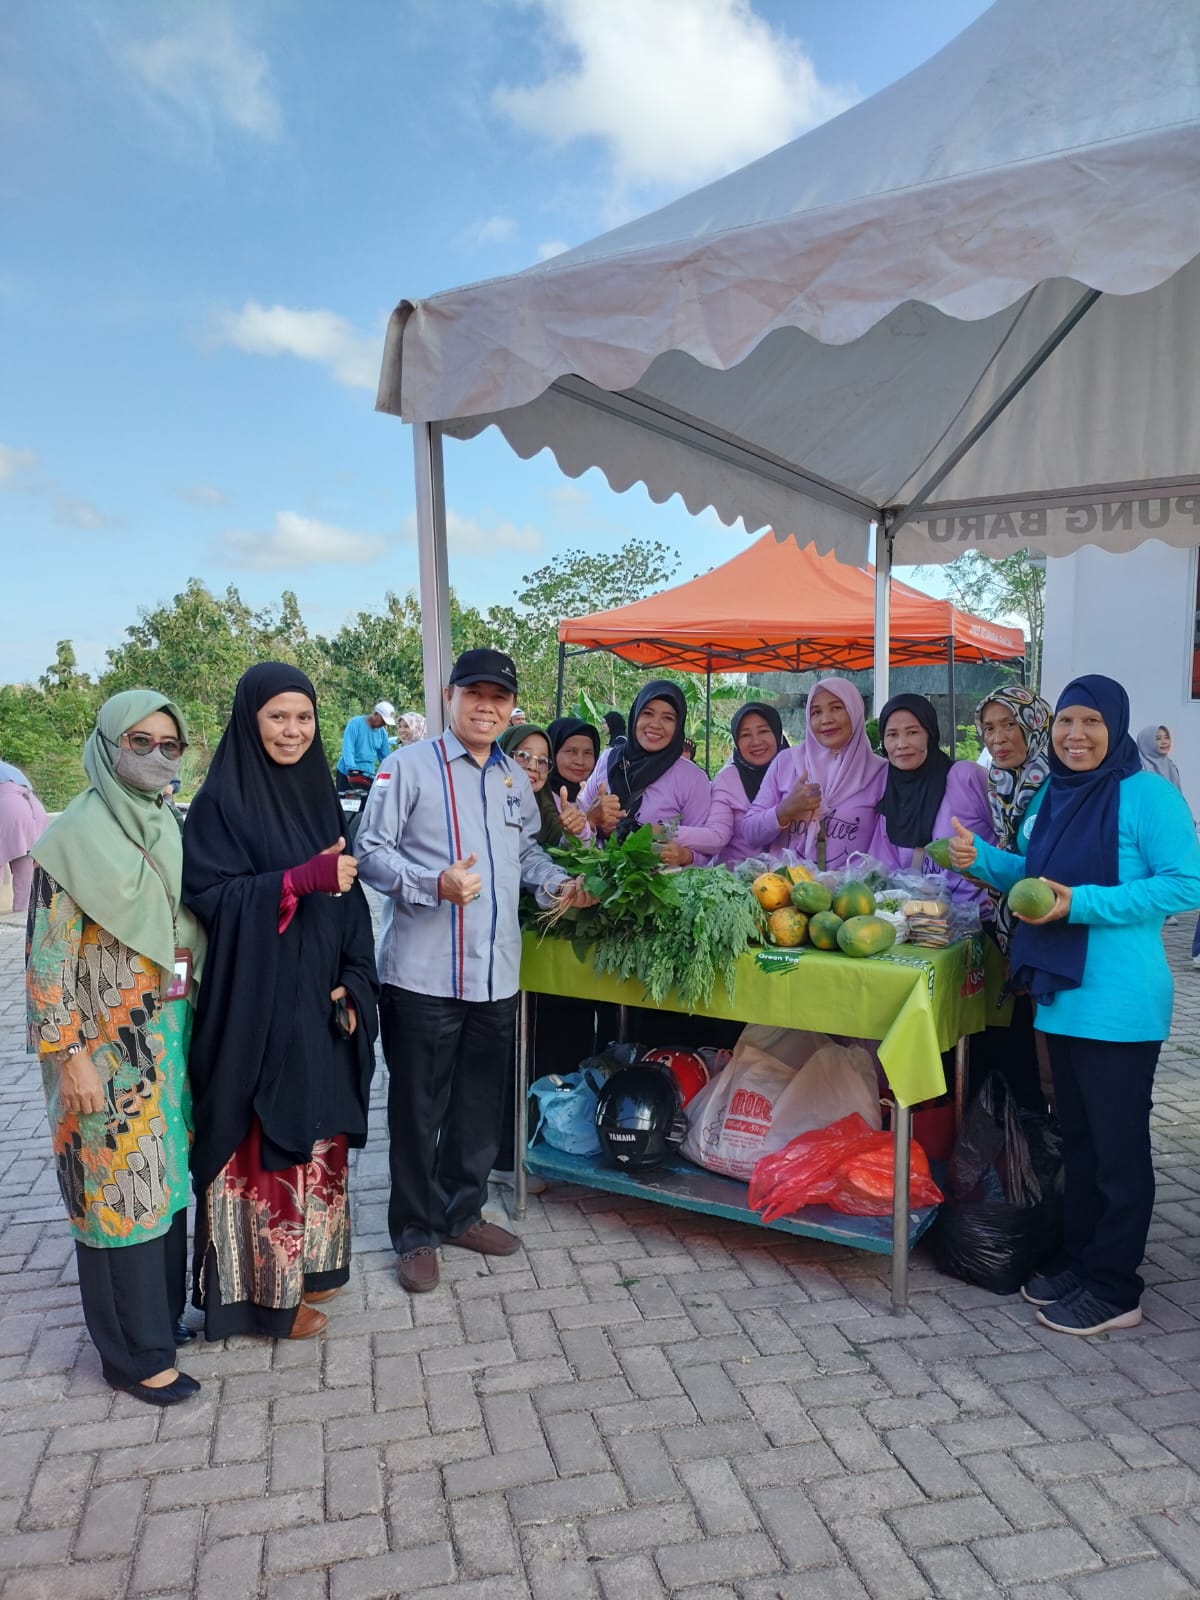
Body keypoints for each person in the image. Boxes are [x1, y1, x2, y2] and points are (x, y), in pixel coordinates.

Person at [949, 674, 1200, 1336]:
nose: (1076, 735)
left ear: (1114, 728)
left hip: (1120, 1002)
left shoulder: (1147, 795)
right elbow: (1034, 880)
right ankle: (1083, 1260)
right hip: (1061, 995)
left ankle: (1116, 1286)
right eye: (1066, 721)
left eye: (1091, 722)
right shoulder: (1054, 797)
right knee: (1082, 1143)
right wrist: (981, 860)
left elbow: (1186, 884)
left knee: (1118, 1150)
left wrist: (1081, 904)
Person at [354, 648, 594, 1294]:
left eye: (499, 697)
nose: (487, 707)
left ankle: (461, 1213)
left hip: (496, 974)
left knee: (479, 1106)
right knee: (417, 1111)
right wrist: (432, 882)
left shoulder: (514, 778)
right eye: (475, 694)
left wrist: (557, 884)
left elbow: (526, 854)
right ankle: (414, 1232)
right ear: (449, 696)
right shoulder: (407, 767)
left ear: (512, 708)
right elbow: (369, 853)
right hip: (423, 977)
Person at [183, 664, 379, 1342]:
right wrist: (295, 880)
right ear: (251, 720)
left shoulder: (322, 796)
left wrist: (356, 977)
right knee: (260, 1144)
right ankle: (262, 1297)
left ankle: (310, 1270)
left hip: (317, 1005)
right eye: (277, 717)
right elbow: (209, 898)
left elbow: (349, 896)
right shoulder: (220, 804)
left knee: (317, 1136)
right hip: (256, 1012)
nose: (293, 731)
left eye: (304, 717)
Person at [26, 691, 204, 1404]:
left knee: (161, 1186)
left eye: (170, 744)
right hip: (101, 1054)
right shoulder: (73, 838)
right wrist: (69, 1056)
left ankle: (159, 1321)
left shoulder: (165, 824)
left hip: (165, 1045)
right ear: (108, 744)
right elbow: (47, 962)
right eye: (140, 741)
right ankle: (132, 1357)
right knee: (115, 1193)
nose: (157, 755)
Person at [970, 684, 1056, 1110]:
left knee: (1053, 1062)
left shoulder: (1057, 787)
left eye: (1009, 724)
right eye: (988, 728)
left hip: (1052, 939)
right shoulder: (1002, 783)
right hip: (1017, 933)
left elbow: (1043, 871)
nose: (997, 738)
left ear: (1035, 724)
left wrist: (981, 861)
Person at [743, 678, 886, 870]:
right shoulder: (786, 763)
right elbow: (750, 833)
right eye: (816, 712)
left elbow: (884, 852)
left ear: (855, 711)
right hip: (784, 886)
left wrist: (842, 881)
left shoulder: (880, 773)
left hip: (851, 887)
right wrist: (784, 809)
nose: (826, 720)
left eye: (836, 708)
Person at [869, 693, 995, 911]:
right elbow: (884, 870)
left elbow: (1008, 836)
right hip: (923, 922)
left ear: (930, 733)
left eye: (912, 732)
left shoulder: (966, 777)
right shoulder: (891, 796)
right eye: (892, 735)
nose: (901, 744)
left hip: (981, 919)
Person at [577, 681, 711, 850]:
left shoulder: (692, 778)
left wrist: (683, 854)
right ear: (635, 715)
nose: (655, 724)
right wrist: (593, 820)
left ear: (678, 725)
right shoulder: (608, 760)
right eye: (647, 713)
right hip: (597, 864)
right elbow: (578, 826)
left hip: (660, 867)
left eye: (668, 718)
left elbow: (702, 849)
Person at [659, 702, 787, 868]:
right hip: (736, 878)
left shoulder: (794, 772)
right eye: (745, 735)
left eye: (763, 731)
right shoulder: (728, 779)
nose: (755, 741)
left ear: (777, 733)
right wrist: (663, 832)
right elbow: (717, 836)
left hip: (793, 877)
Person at [0, 758, 48, 918]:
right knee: (25, 870)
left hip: (9, 810)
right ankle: (22, 915)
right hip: (34, 811)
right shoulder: (10, 769)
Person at [498, 722, 559, 844]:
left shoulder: (547, 814)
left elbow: (563, 842)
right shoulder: (486, 807)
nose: (533, 767)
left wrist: (574, 832)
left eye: (542, 761)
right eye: (523, 755)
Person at [336, 701, 396, 797]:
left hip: (366, 775)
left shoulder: (382, 733)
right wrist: (351, 770)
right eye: (383, 720)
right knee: (344, 801)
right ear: (376, 714)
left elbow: (385, 757)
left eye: (385, 722)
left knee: (365, 803)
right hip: (347, 772)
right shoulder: (355, 724)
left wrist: (392, 770)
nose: (383, 724)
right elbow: (348, 748)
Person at [1137, 724, 1182, 790]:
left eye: (1166, 737)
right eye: (1158, 739)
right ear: (1147, 742)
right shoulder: (1139, 767)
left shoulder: (1171, 766)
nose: (1164, 742)